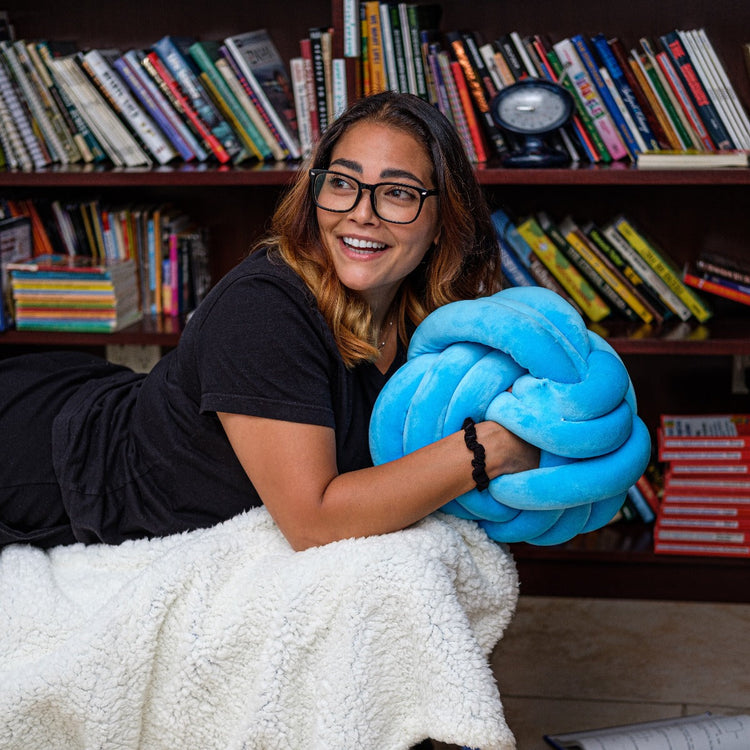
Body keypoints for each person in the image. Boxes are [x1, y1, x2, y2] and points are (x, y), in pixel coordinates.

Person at [0, 91, 539, 551]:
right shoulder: (262, 310)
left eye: (397, 193)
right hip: (41, 462)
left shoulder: (428, 312)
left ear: (443, 221)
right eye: (342, 183)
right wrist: (489, 447)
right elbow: (313, 521)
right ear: (316, 191)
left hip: (118, 402)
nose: (362, 212)